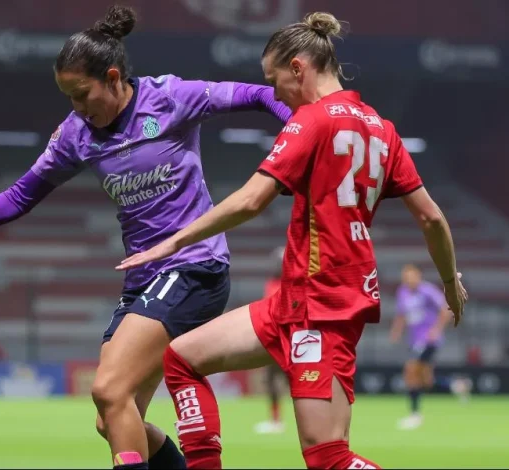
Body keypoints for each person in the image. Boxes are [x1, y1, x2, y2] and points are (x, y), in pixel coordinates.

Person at [0, 5, 290, 469]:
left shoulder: (169, 97)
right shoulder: (76, 135)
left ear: (112, 77)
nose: (78, 108)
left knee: (108, 389)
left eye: (82, 94)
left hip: (193, 266)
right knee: (113, 417)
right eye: (69, 98)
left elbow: (258, 94)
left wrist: (296, 137)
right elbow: (23, 194)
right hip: (142, 279)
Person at [116, 12, 468, 469]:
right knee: (181, 360)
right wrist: (449, 282)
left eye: (274, 81)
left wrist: (174, 242)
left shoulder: (312, 121)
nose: (275, 94)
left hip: (320, 305)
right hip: (300, 301)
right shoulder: (383, 130)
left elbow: (251, 201)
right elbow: (431, 217)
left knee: (327, 457)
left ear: (298, 68)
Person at [389, 264, 471, 430]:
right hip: (414, 340)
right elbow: (401, 315)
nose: (409, 280)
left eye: (411, 276)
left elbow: (445, 310)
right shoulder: (403, 292)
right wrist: (396, 331)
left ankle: (415, 415)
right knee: (426, 380)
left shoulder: (427, 291)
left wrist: (436, 330)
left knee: (411, 371)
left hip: (427, 340)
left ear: (418, 276)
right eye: (406, 277)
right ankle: (457, 386)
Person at [253, 246, 285, 435]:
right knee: (272, 380)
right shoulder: (272, 282)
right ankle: (275, 420)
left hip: (291, 339)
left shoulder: (293, 284)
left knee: (299, 381)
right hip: (274, 338)